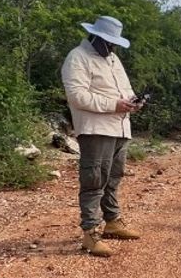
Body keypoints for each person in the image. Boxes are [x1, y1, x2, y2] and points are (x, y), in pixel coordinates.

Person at [60, 15, 144, 257]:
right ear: (96, 36)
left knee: (114, 177)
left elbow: (125, 90)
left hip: (119, 128)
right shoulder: (78, 57)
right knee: (94, 180)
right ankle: (90, 233)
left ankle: (113, 221)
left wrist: (132, 103)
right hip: (96, 129)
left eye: (114, 42)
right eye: (109, 41)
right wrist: (114, 104)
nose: (113, 46)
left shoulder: (113, 59)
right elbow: (77, 96)